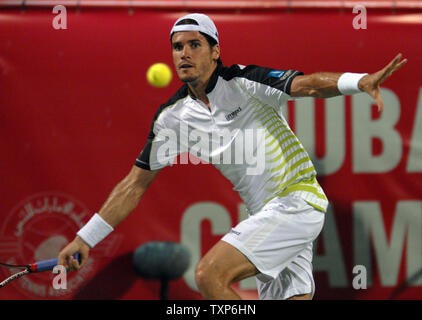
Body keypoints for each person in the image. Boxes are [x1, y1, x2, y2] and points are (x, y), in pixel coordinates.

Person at [58, 13, 407, 300]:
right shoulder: (173, 119)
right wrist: (85, 238)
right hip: (269, 216)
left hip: (297, 202)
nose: (184, 54)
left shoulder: (245, 82)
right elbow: (133, 186)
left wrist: (359, 81)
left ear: (215, 51)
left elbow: (309, 85)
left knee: (210, 274)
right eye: (178, 47)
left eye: (195, 45)